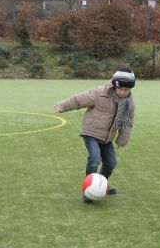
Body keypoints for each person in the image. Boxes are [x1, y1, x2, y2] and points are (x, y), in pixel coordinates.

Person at [54, 68, 135, 203]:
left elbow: (127, 123)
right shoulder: (99, 93)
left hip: (107, 137)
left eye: (126, 90)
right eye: (120, 88)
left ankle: (101, 185)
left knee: (111, 162)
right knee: (95, 158)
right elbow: (79, 99)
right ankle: (89, 189)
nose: (122, 92)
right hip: (91, 132)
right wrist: (62, 105)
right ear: (114, 85)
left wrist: (122, 139)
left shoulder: (129, 104)